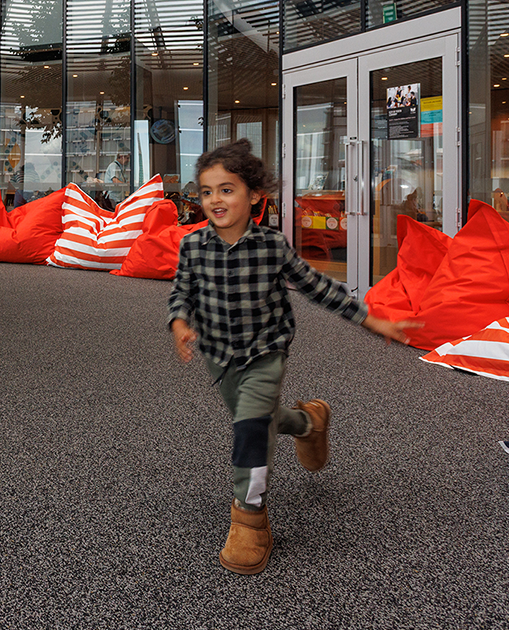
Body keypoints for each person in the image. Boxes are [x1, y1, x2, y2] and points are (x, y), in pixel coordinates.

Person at [167, 139, 420, 576]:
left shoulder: (272, 247)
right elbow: (181, 292)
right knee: (258, 419)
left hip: (266, 351)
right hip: (219, 356)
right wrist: (179, 323)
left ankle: (250, 517)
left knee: (249, 430)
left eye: (227, 189)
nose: (214, 200)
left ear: (254, 196)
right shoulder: (194, 247)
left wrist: (370, 320)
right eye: (207, 191)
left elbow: (318, 287)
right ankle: (309, 422)